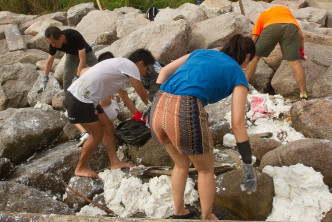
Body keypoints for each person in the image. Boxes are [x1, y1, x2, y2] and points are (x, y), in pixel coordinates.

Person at [149, 34, 257, 220]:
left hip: (159, 105)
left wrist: (153, 98)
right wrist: (247, 163)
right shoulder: (238, 74)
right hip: (184, 109)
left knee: (181, 164)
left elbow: (165, 70)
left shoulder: (200, 53)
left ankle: (179, 211)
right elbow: (238, 124)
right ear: (247, 56)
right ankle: (207, 217)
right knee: (205, 170)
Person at [64, 49, 154, 178]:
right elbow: (144, 96)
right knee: (97, 134)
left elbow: (126, 99)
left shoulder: (121, 71)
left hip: (89, 100)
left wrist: (139, 117)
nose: (145, 73)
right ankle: (80, 167)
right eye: (147, 68)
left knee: (108, 126)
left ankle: (114, 162)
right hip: (79, 99)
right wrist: (158, 114)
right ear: (140, 63)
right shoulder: (130, 66)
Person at [77, 51, 146, 147]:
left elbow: (80, 73)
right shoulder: (118, 77)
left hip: (91, 116)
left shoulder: (89, 71)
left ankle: (84, 132)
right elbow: (126, 100)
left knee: (70, 110)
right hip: (111, 114)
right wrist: (140, 116)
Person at [245, 5, 308, 100]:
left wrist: (250, 51)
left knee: (255, 58)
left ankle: (243, 87)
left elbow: (255, 35)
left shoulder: (264, 14)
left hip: (271, 28)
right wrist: (301, 53)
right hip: (290, 28)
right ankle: (303, 94)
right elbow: (301, 37)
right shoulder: (288, 16)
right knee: (296, 63)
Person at [38, 26, 97, 93]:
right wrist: (44, 80)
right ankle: (68, 99)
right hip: (71, 55)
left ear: (62, 37)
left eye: (53, 42)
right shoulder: (53, 45)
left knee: (98, 70)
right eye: (50, 43)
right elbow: (49, 62)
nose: (53, 45)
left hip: (86, 53)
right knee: (66, 78)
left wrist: (77, 76)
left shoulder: (74, 35)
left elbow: (82, 59)